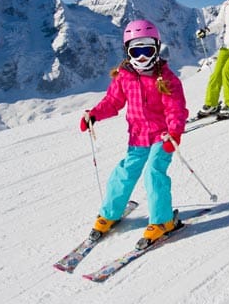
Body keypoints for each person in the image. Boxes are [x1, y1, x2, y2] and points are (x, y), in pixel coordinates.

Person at [79, 19, 189, 249]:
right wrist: (95, 114)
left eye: (146, 50)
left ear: (157, 48)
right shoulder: (124, 76)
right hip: (138, 136)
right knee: (124, 172)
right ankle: (109, 214)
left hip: (163, 137)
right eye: (135, 51)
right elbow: (113, 101)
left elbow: (175, 109)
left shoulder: (167, 79)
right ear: (127, 51)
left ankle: (163, 222)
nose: (141, 57)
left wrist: (175, 133)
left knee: (153, 173)